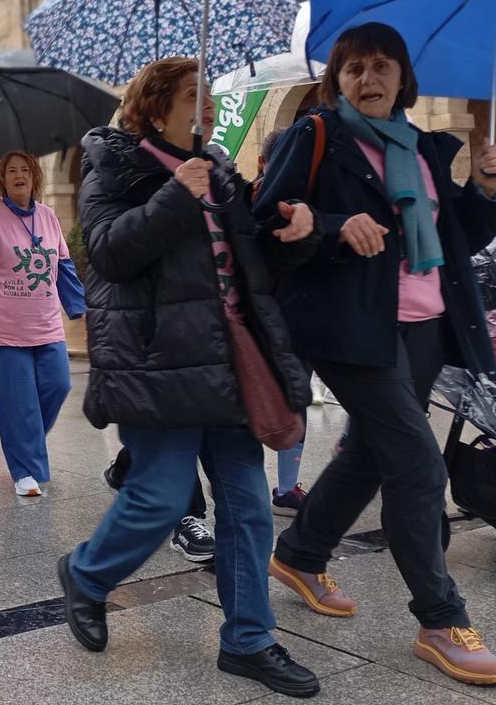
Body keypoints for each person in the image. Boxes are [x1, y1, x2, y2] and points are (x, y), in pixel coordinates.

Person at [254, 22, 496, 685]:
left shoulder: (421, 146)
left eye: (381, 67)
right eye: (354, 69)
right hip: (349, 327)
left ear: (403, 78)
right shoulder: (316, 136)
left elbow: (459, 234)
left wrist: (484, 189)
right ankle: (439, 617)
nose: (368, 80)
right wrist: (338, 227)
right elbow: (267, 218)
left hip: (423, 325)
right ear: (337, 79)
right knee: (418, 465)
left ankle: (302, 551)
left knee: (372, 454)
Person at [58, 56, 323, 698]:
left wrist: (293, 233)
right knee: (160, 496)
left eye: (207, 96)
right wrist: (178, 193)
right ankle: (88, 576)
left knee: (248, 505)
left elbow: (250, 263)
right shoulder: (114, 165)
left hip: (228, 361)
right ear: (154, 106)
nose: (205, 107)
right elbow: (110, 252)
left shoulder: (222, 172)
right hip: (161, 362)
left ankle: (249, 641)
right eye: (190, 96)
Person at [0, 150, 85, 497]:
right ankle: (24, 471)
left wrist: (78, 307)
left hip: (46, 323)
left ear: (35, 176)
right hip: (5, 329)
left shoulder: (48, 217)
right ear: (2, 181)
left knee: (59, 384)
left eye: (25, 170)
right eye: (11, 171)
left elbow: (62, 263)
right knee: (18, 402)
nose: (19, 175)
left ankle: (27, 441)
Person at [257, 126, 309, 515]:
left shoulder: (306, 203)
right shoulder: (250, 202)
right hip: (269, 323)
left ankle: (287, 488)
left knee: (296, 397)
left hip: (299, 319)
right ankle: (279, 488)